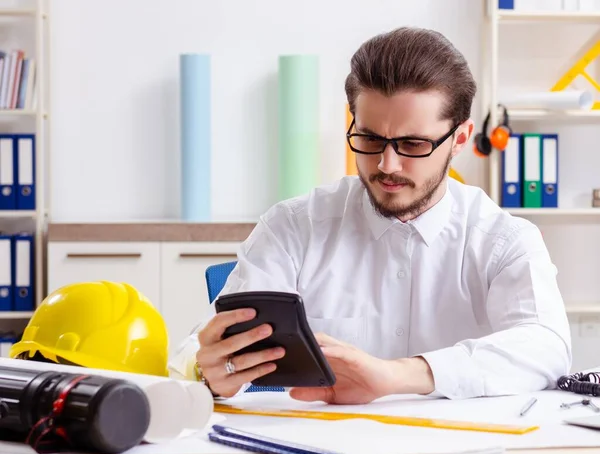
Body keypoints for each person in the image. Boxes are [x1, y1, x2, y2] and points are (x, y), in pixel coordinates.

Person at [168, 26, 572, 404]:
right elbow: (197, 349)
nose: (387, 164)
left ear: (460, 140)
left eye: (413, 144)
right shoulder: (293, 227)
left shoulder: (504, 240)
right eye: (369, 138)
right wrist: (207, 373)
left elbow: (545, 346)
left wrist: (400, 375)